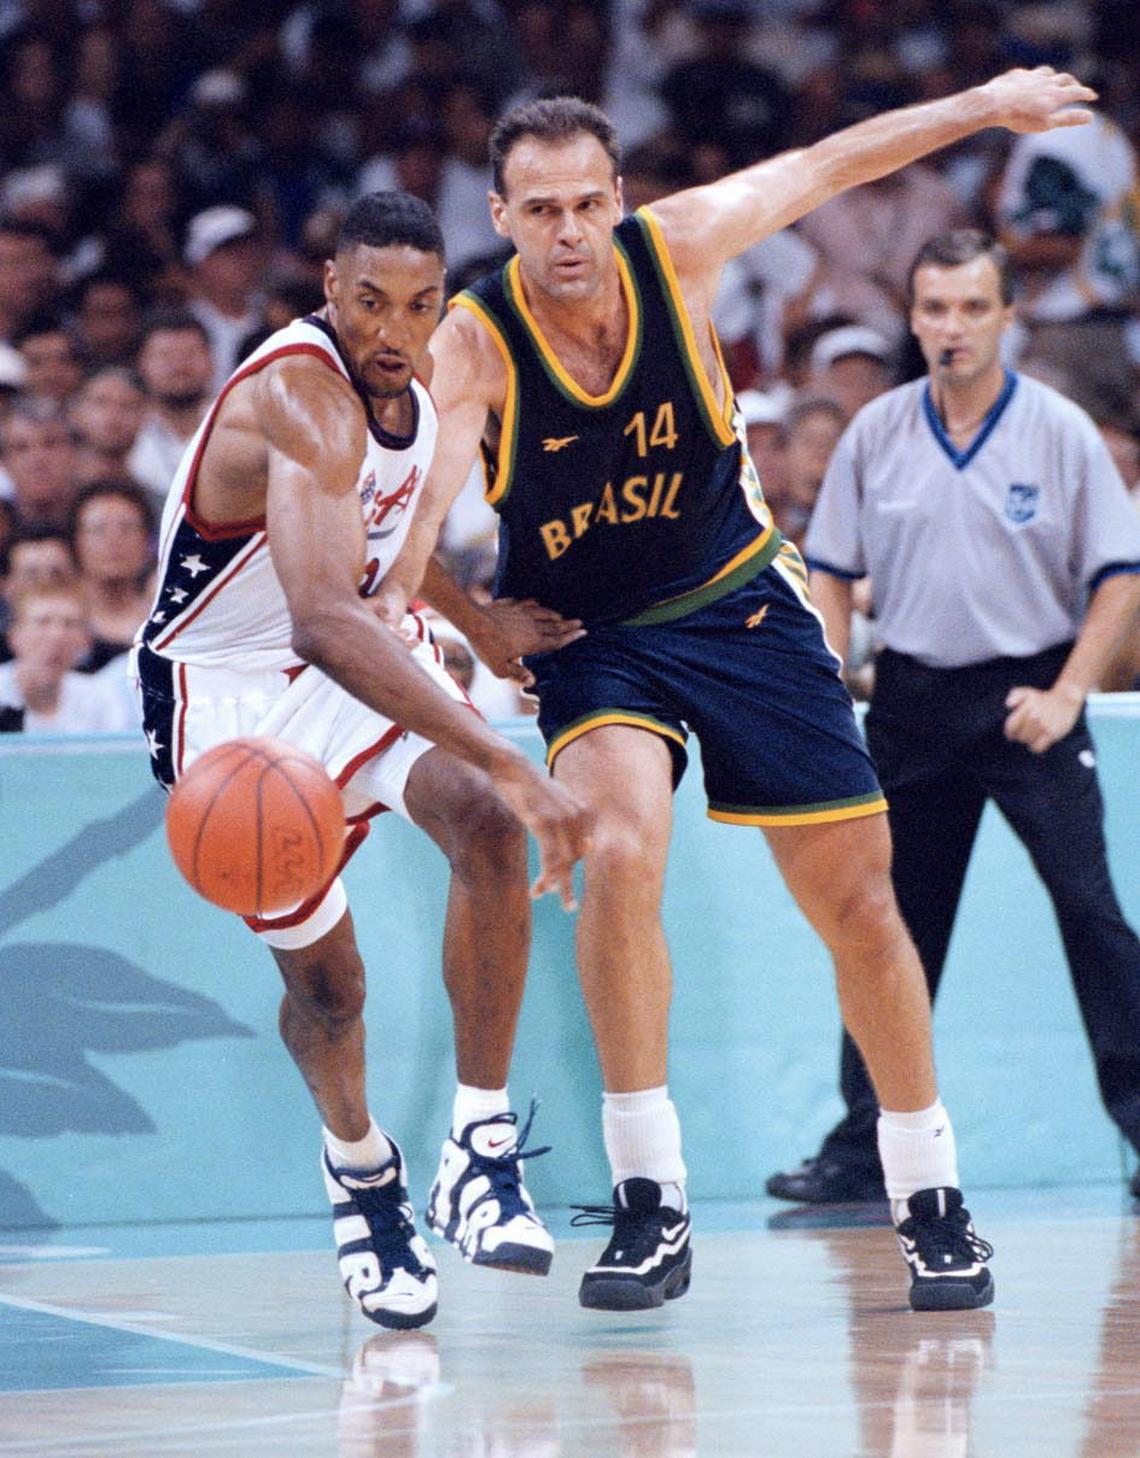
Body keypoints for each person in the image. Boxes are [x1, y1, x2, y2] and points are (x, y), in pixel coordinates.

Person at [380, 70, 1099, 1315]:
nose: (567, 232)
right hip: (595, 633)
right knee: (618, 849)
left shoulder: (683, 247)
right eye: (539, 208)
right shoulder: (473, 341)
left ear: (620, 200)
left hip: (738, 600)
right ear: (498, 215)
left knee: (863, 900)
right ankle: (651, 1200)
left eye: (587, 204)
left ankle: (928, 1194)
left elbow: (836, 160)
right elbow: (396, 543)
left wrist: (986, 103)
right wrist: (474, 619)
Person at [132, 191, 592, 1331]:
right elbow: (323, 621)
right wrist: (507, 749)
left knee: (483, 820)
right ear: (329, 290)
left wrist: (477, 628)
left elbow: (383, 533)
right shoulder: (302, 398)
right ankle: (360, 1169)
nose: (396, 328)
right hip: (224, 698)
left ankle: (477, 1149)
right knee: (330, 989)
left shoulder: (419, 389)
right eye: (373, 301)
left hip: (331, 655)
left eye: (422, 305)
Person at [767, 228, 1140, 1205]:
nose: (952, 327)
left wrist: (1068, 694)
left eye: (974, 307)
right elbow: (836, 575)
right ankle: (864, 1148)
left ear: (1008, 316)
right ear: (913, 315)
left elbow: (1118, 577)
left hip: (1030, 701)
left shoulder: (1059, 430)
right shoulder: (877, 432)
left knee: (1093, 915)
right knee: (884, 926)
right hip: (913, 699)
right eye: (934, 307)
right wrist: (828, 670)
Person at [0, 580, 131, 734]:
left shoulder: (100, 698)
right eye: (43, 622)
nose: (57, 635)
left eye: (69, 624)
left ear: (86, 641)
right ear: (13, 636)